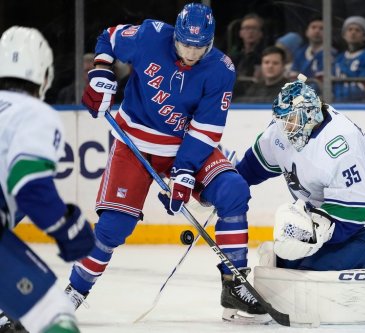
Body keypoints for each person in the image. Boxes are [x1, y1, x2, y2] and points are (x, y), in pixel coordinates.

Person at [66, 2, 267, 322]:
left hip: (187, 146)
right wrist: (102, 69)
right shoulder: (149, 35)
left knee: (232, 190)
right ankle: (75, 291)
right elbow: (108, 37)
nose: (190, 53)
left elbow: (206, 129)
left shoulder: (221, 69)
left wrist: (185, 170)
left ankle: (234, 282)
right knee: (113, 228)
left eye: (199, 47)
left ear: (211, 42)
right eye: (185, 43)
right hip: (135, 146)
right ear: (176, 34)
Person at [235, 75, 365, 272]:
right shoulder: (281, 130)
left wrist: (315, 233)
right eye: (283, 118)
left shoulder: (340, 145)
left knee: (307, 275)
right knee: (280, 266)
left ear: (310, 113)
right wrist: (225, 186)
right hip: (322, 215)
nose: (285, 126)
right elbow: (253, 166)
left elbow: (353, 213)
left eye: (291, 119)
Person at [0, 26, 95, 333]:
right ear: (45, 75)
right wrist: (67, 229)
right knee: (55, 316)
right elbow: (29, 185)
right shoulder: (33, 113)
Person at [332, 16, 365, 102]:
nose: (353, 33)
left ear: (364, 36)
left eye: (357, 30)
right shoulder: (339, 58)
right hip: (338, 105)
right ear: (344, 35)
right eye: (350, 29)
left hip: (362, 106)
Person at [228, 13, 266, 78]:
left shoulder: (266, 56)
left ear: (260, 33)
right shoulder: (234, 56)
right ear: (240, 33)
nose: (250, 31)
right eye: (247, 28)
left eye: (254, 28)